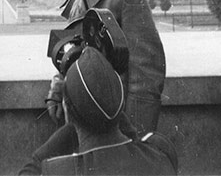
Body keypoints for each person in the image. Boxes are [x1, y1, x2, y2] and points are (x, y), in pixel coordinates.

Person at [47, 0, 165, 137]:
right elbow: (72, 48)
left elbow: (146, 72)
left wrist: (136, 134)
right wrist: (57, 88)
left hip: (111, 123)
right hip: (80, 113)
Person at [22, 47, 177, 175]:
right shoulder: (161, 154)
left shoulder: (58, 171)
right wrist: (106, 101)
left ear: (68, 111)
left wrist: (75, 116)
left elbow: (29, 170)